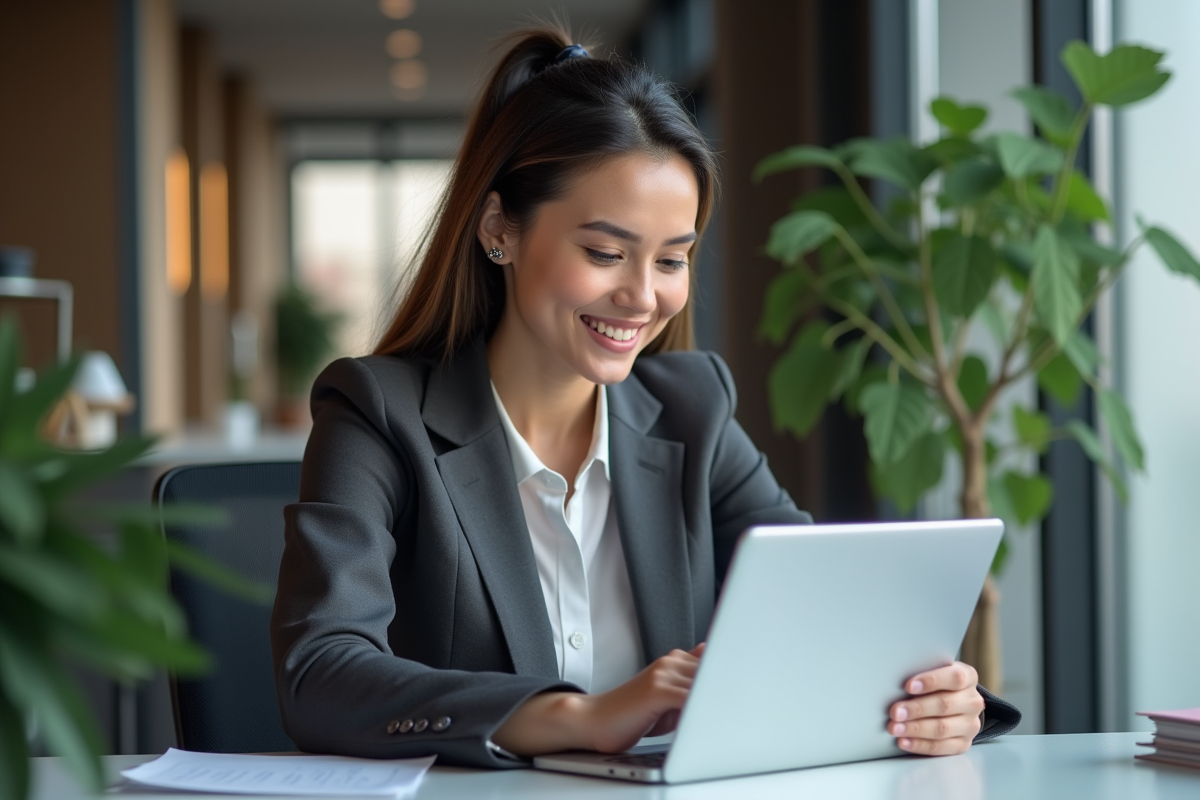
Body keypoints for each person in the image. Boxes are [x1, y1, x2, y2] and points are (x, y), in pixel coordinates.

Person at [270, 25, 1020, 769]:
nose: (641, 296)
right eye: (604, 253)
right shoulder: (377, 412)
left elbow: (825, 609)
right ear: (500, 229)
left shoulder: (694, 409)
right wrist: (578, 715)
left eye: (671, 259)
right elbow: (320, 673)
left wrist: (931, 698)